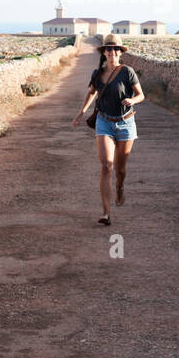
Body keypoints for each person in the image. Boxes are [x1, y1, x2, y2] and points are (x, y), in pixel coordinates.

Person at [71, 33, 143, 225]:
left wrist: (132, 100)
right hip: (104, 121)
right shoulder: (97, 74)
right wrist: (81, 112)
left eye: (115, 49)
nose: (112, 52)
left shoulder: (127, 72)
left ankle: (119, 188)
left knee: (120, 169)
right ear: (104, 53)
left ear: (120, 53)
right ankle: (106, 213)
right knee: (106, 165)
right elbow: (91, 93)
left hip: (126, 122)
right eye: (108, 49)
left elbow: (141, 95)